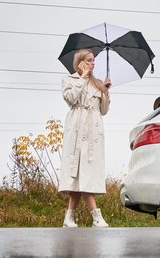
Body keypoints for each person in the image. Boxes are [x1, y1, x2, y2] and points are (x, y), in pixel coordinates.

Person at [58, 48, 111, 227]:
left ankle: (69, 217)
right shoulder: (70, 80)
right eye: (89, 60)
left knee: (84, 175)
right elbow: (71, 99)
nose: (93, 63)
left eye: (94, 60)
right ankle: (96, 216)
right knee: (79, 175)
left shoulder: (97, 83)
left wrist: (105, 92)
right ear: (80, 62)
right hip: (77, 131)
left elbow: (103, 111)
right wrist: (82, 78)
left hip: (94, 133)